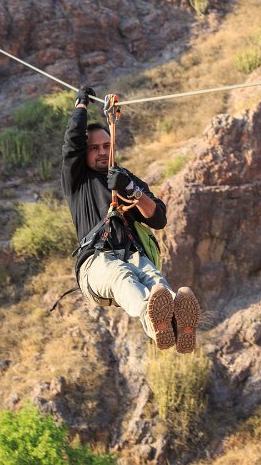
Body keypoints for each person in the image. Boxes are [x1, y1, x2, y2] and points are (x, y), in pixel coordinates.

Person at [61, 87, 200, 353]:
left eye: (106, 146)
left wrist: (130, 191)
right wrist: (81, 105)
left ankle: (177, 326)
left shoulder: (125, 179)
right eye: (94, 148)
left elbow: (158, 218)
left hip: (131, 253)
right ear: (85, 152)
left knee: (155, 281)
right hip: (95, 263)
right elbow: (71, 142)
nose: (102, 152)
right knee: (121, 275)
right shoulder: (77, 179)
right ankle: (155, 318)